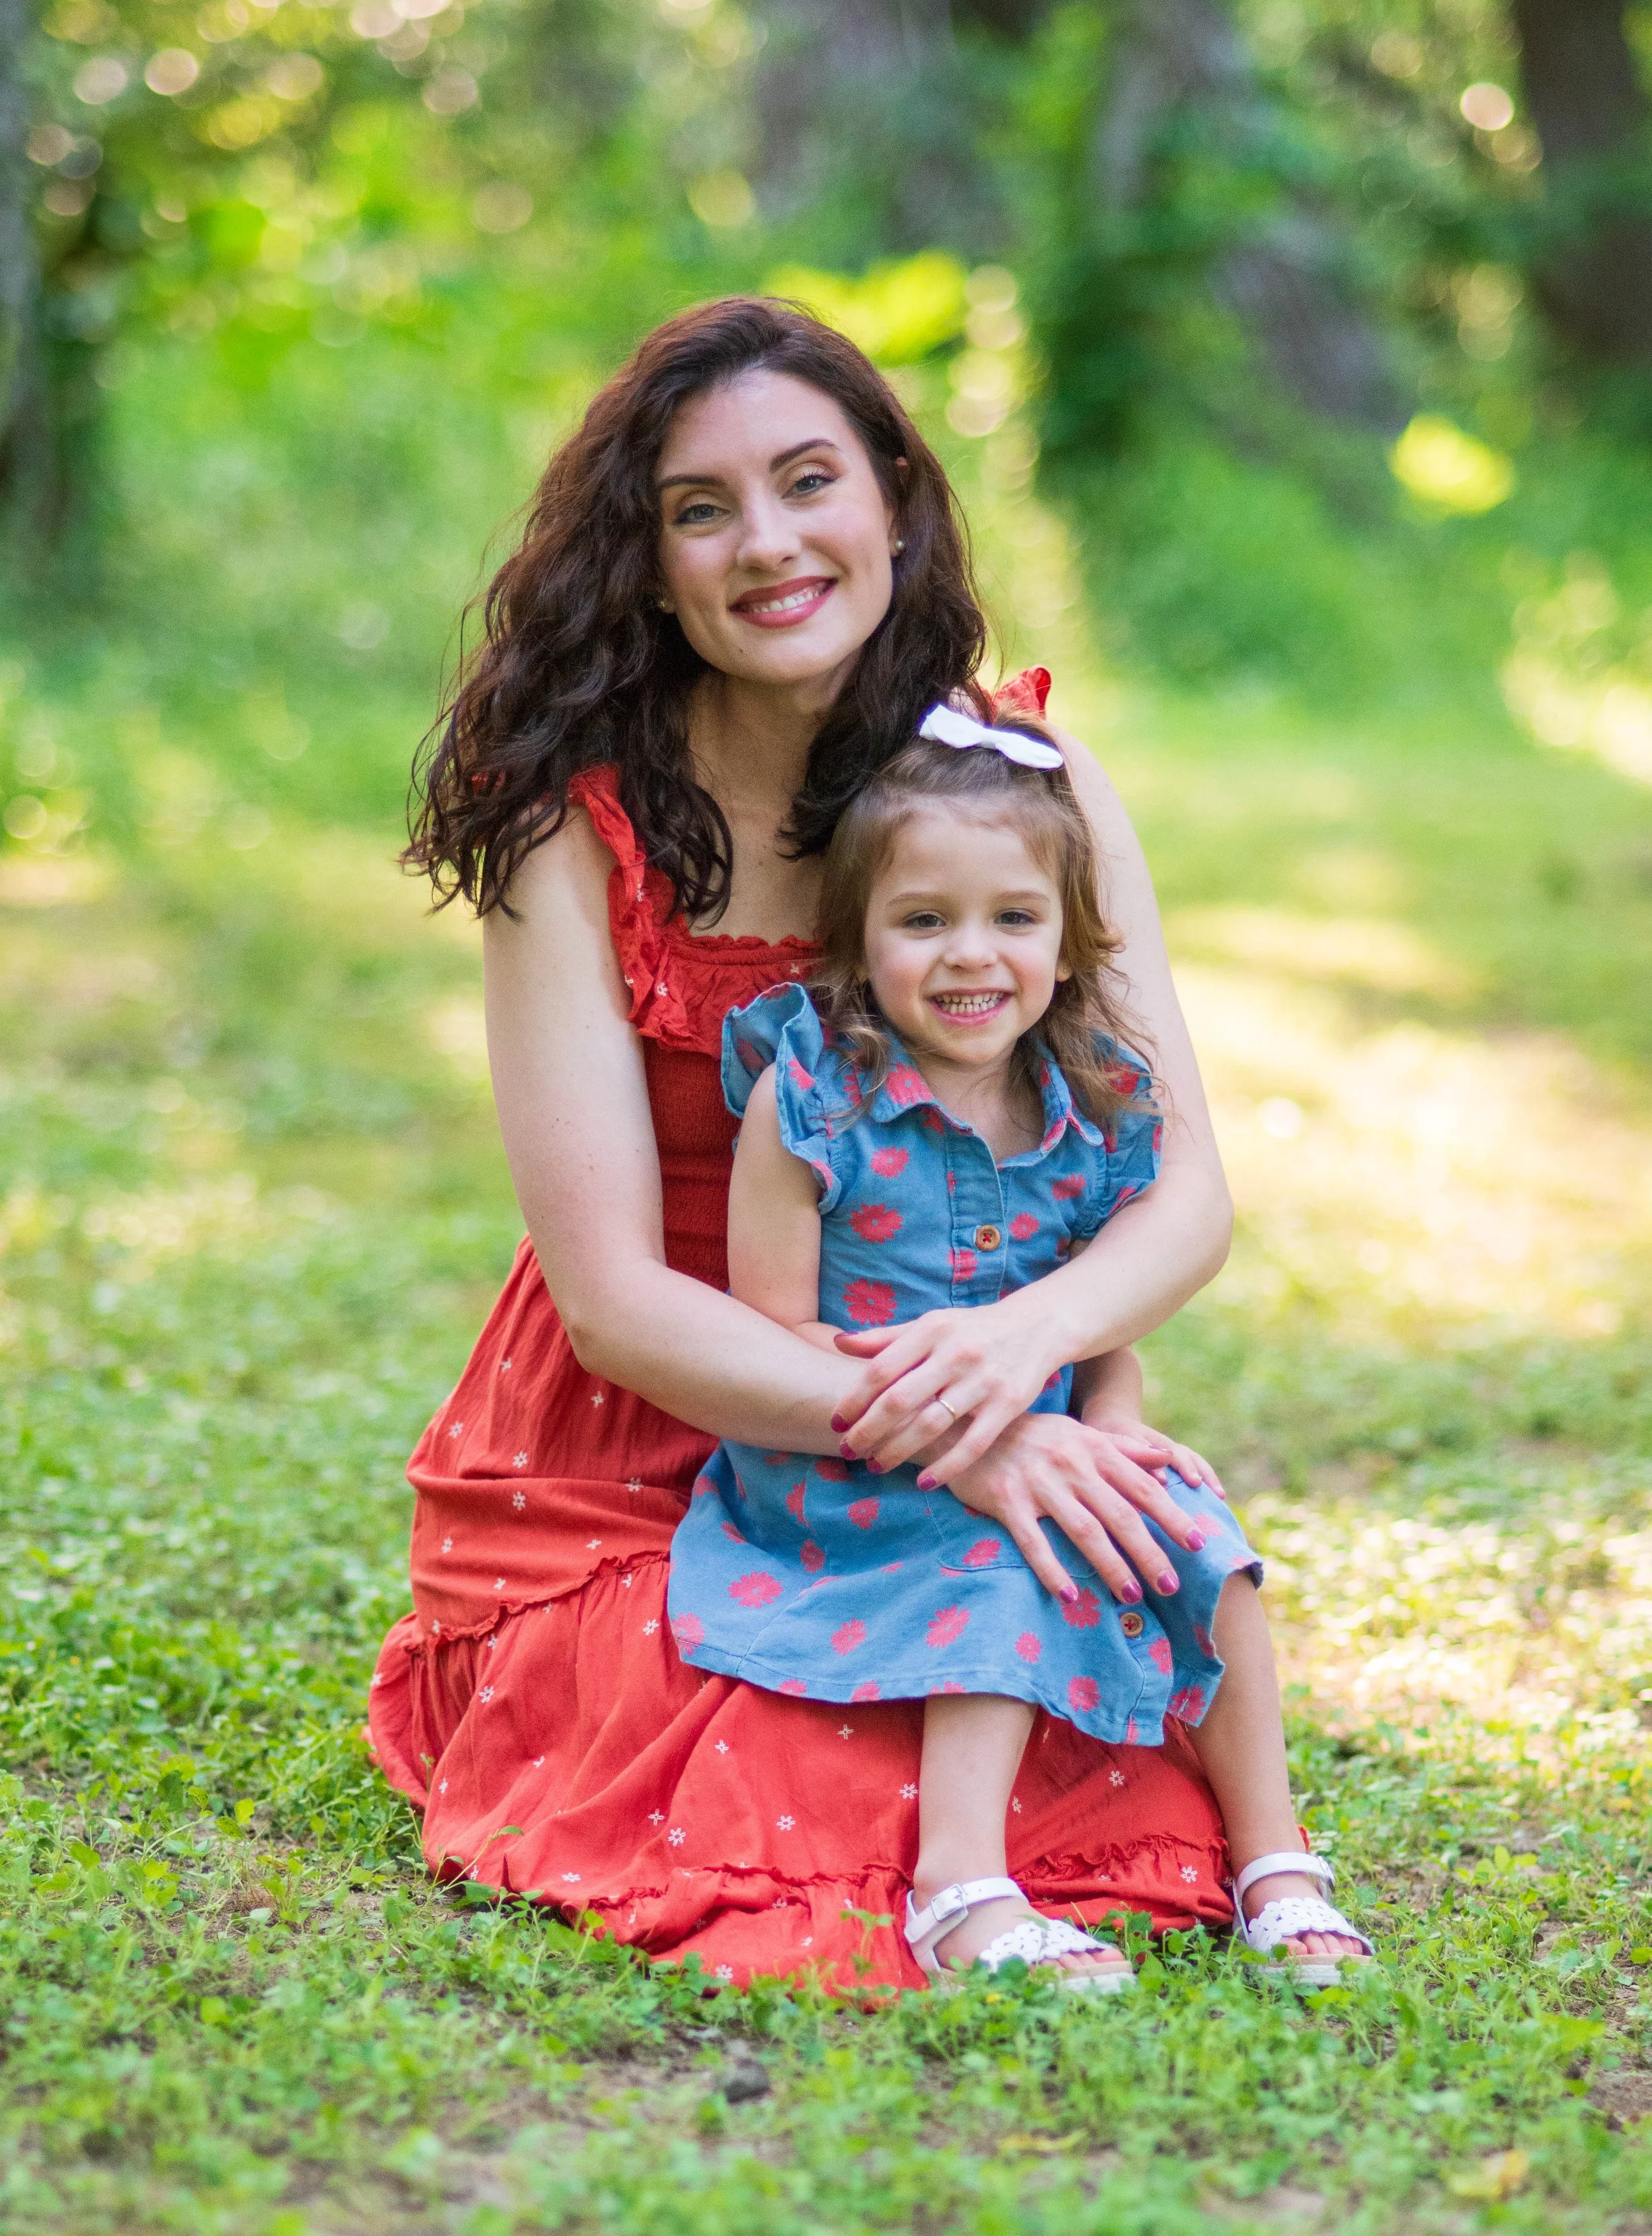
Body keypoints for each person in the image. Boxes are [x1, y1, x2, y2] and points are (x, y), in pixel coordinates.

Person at [367, 295, 1328, 1991]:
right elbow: (604, 1298)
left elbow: (1179, 1193)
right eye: (700, 507)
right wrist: (952, 1443)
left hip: (969, 1367)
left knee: (1052, 1682)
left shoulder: (1024, 785)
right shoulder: (568, 828)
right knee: (777, 1781)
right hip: (654, 1415)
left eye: (809, 480)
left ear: (893, 492)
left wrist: (1015, 1375)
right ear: (646, 559)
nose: (767, 544)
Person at [667, 721, 1371, 1988]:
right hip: (858, 1453)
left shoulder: (1089, 1096)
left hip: (1042, 1437)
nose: (971, 956)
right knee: (1007, 1554)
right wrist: (964, 1430)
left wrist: (1114, 1420)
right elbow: (772, 1330)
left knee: (1206, 1551)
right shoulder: (813, 1100)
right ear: (858, 935)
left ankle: (1272, 1858)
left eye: (1013, 918)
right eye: (923, 920)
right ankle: (960, 1889)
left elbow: (1106, 1317)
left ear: (1068, 938)